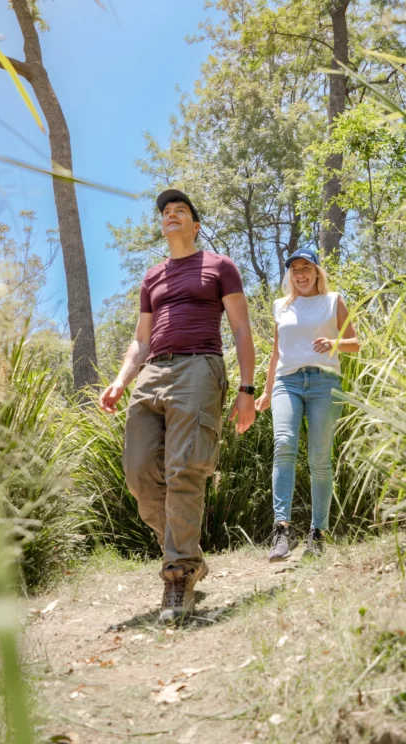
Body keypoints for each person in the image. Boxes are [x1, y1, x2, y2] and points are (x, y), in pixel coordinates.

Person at [99, 189, 256, 622]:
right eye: (166, 212)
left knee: (184, 467)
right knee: (139, 473)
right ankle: (183, 553)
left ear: (195, 224)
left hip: (199, 368)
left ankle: (179, 573)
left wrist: (246, 388)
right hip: (152, 372)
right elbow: (141, 339)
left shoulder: (219, 266)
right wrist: (120, 380)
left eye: (180, 210)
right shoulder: (152, 276)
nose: (171, 215)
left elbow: (242, 329)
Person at [255, 248, 359, 561]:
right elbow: (276, 353)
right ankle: (283, 530)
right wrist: (265, 390)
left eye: (306, 268)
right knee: (284, 444)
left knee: (319, 458)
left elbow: (355, 342)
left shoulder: (333, 301)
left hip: (324, 383)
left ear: (316, 272)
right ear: (290, 275)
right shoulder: (281, 306)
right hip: (287, 382)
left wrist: (334, 343)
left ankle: (318, 532)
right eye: (294, 269)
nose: (300, 274)